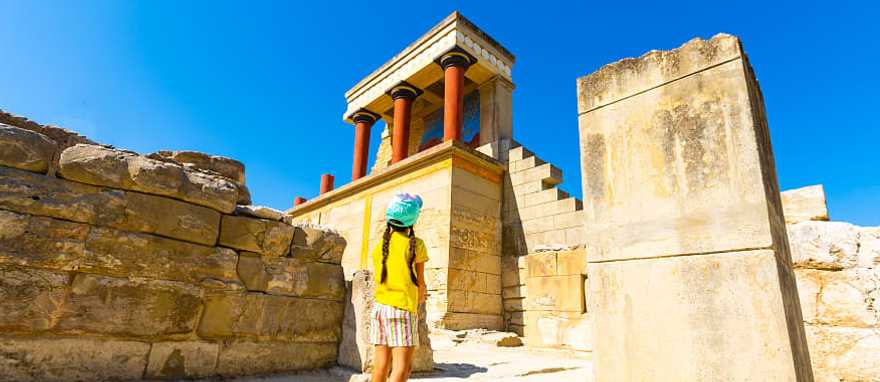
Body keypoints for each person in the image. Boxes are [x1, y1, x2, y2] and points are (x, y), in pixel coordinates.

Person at [370, 192, 429, 382]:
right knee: (402, 369)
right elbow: (420, 283)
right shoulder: (417, 245)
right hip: (402, 310)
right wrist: (421, 294)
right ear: (413, 220)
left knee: (380, 366)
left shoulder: (379, 247)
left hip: (379, 309)